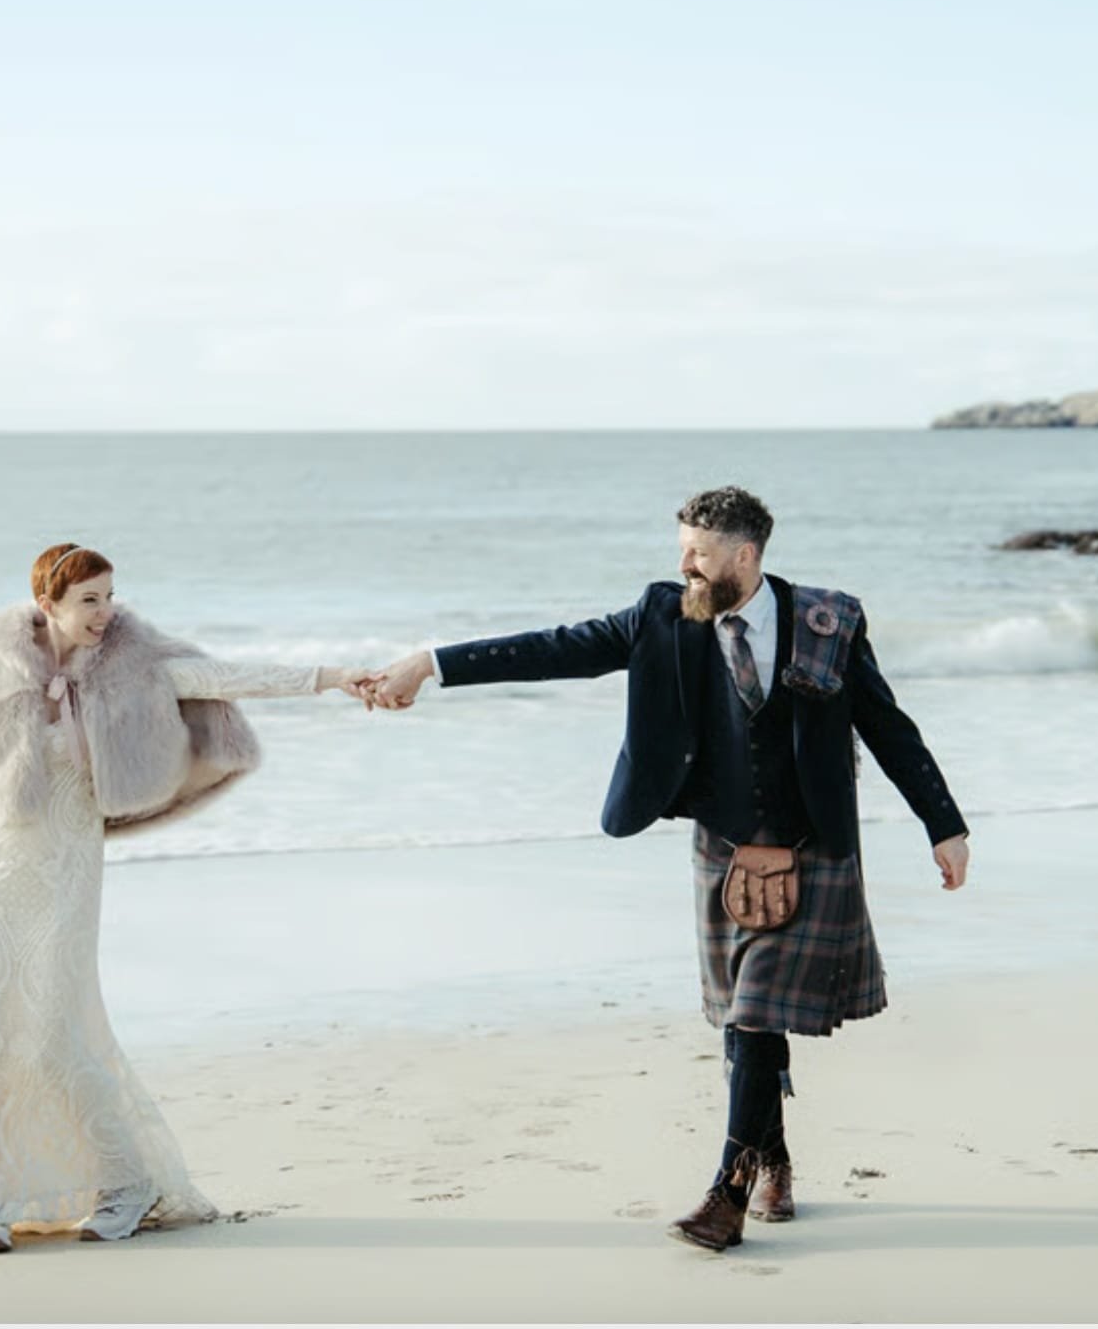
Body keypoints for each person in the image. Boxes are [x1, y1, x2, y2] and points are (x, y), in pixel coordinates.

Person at [367, 486, 971, 1252]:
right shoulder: (660, 615)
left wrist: (942, 825)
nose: (684, 563)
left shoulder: (828, 621)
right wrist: (428, 664)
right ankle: (775, 1154)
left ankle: (730, 1191)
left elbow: (886, 725)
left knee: (757, 1012)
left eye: (699, 552)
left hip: (812, 845)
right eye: (681, 548)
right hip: (722, 847)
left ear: (745, 556)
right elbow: (556, 648)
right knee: (745, 1019)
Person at [0, 542, 376, 1254]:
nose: (106, 613)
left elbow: (224, 676)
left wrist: (332, 677)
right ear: (48, 602)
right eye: (90, 601)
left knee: (53, 1031)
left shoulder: (134, 663)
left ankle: (127, 1184)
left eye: (110, 597)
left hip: (67, 862)